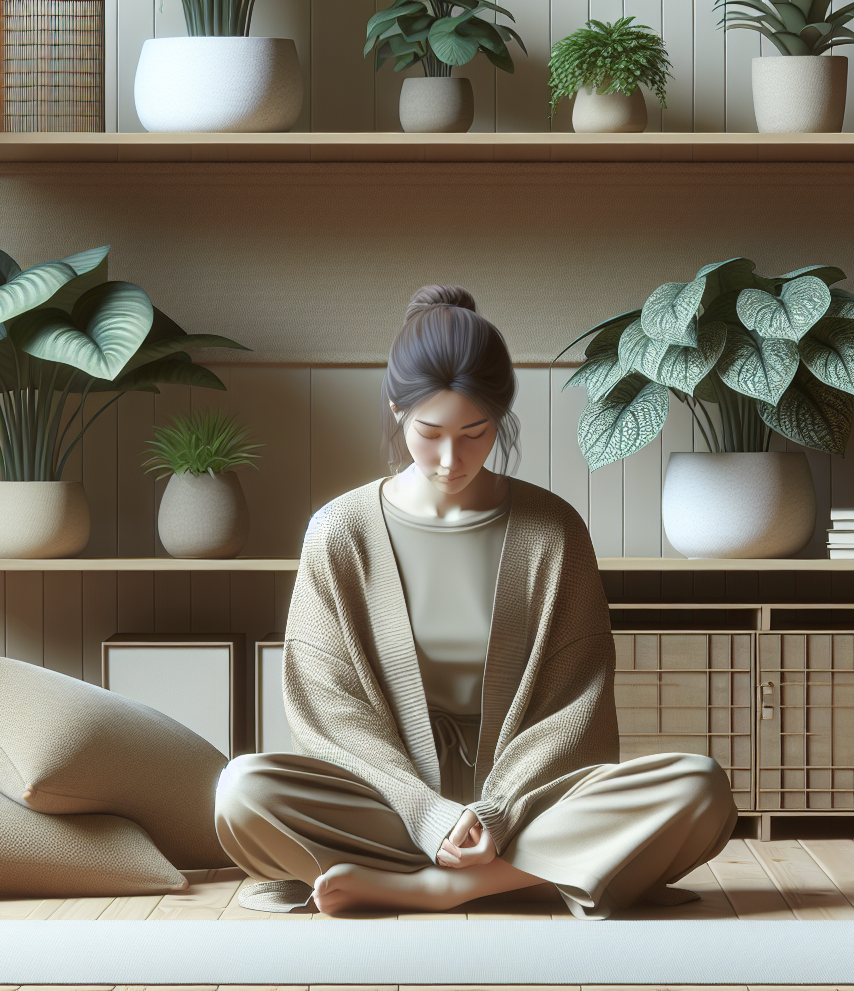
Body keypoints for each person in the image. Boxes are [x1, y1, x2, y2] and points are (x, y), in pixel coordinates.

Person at [214, 284, 737, 919]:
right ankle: (545, 875)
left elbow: (576, 704)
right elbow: (329, 714)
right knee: (244, 792)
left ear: (502, 415)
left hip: (529, 804)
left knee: (699, 787)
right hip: (393, 808)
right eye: (428, 432)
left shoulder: (554, 530)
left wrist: (496, 809)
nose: (449, 458)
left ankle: (439, 886)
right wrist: (428, 812)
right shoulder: (341, 531)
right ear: (395, 409)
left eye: (475, 432)